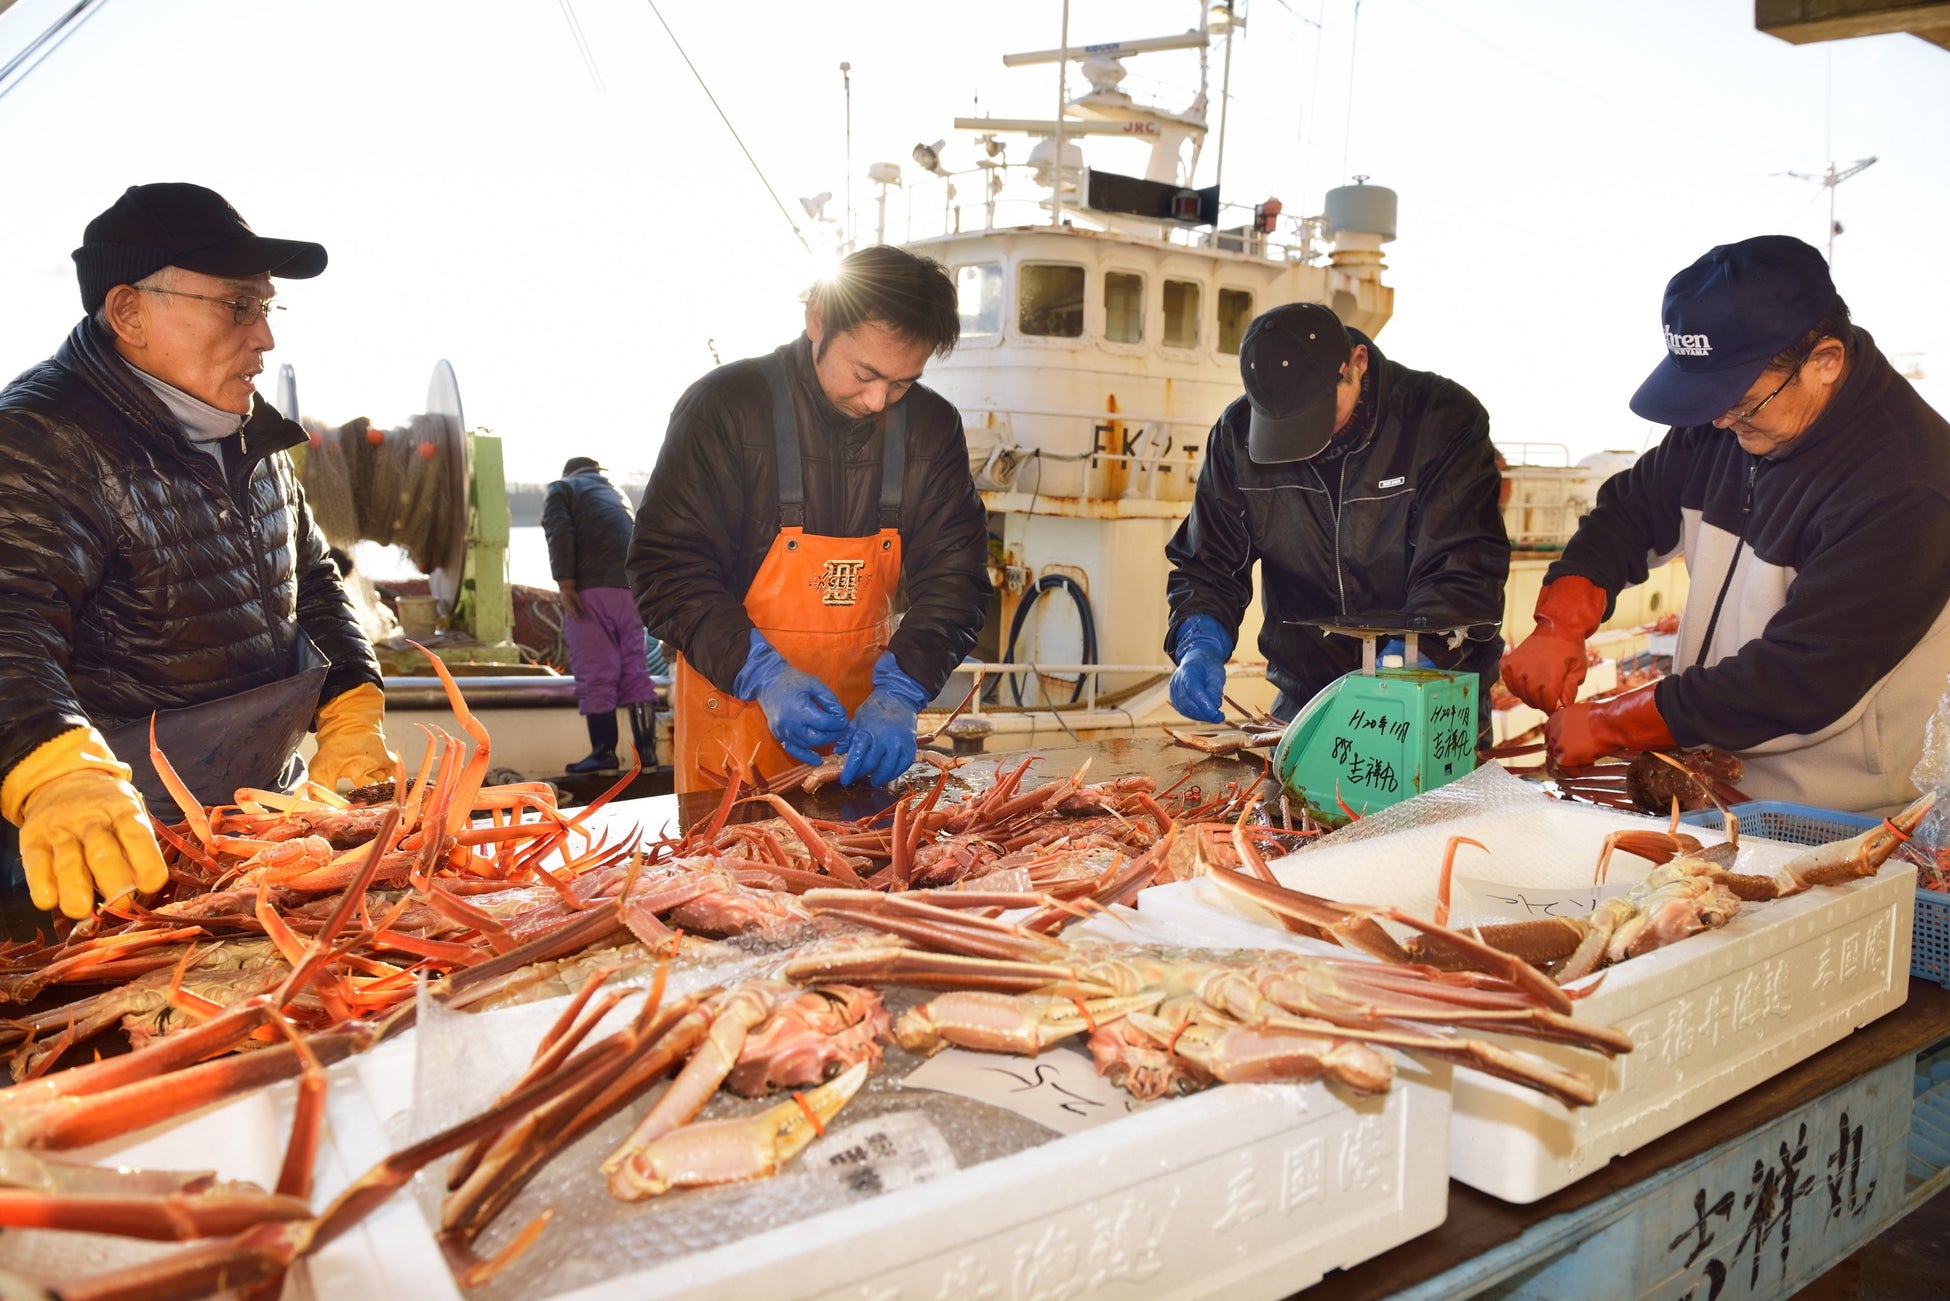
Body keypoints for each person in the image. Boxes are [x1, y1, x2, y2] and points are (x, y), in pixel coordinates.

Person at [0, 183, 392, 920]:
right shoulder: (35, 438)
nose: (265, 336)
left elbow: (312, 581)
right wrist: (53, 769)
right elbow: (9, 623)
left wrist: (351, 709)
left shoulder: (251, 436)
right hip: (105, 859)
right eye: (239, 305)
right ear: (129, 312)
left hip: (254, 832)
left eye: (266, 306)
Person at [1501, 235, 1950, 815]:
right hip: (1711, 781)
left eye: (1739, 401)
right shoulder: (1725, 420)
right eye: (1705, 398)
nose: (1718, 418)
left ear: (1825, 362)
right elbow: (1630, 510)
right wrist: (1559, 622)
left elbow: (1798, 678)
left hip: (1841, 812)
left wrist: (1615, 723)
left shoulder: (1906, 486)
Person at [630, 245, 988, 794]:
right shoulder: (723, 408)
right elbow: (665, 570)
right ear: (818, 316)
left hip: (861, 733)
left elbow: (956, 585)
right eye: (865, 373)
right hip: (733, 718)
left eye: (901, 384)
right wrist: (763, 675)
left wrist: (903, 689)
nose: (876, 401)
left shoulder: (932, 428)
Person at [1164, 301, 1510, 735]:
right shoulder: (1236, 435)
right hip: (1306, 695)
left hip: (1431, 685)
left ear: (1357, 363)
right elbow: (1209, 564)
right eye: (1281, 425)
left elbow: (1464, 563)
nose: (1303, 441)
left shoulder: (1442, 418)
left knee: (1431, 802)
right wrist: (1199, 640)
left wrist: (1409, 658)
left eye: (1315, 414)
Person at [542, 455, 656, 772]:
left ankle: (604, 754)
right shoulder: (617, 494)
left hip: (591, 592)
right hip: (630, 592)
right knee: (635, 669)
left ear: (569, 471)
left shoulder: (563, 488)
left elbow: (558, 530)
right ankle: (646, 756)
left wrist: (566, 584)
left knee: (596, 670)